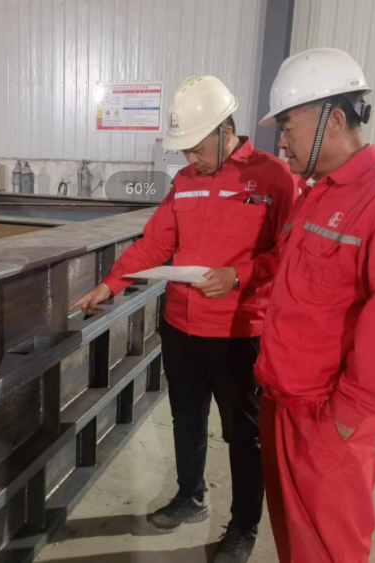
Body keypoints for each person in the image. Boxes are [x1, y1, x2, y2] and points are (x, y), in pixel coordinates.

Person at [71, 76, 299, 563]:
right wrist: (111, 283)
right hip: (180, 327)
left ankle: (243, 526)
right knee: (187, 419)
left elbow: (290, 252)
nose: (190, 158)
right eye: (185, 150)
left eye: (196, 147)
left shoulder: (273, 177)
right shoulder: (186, 181)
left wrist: (238, 276)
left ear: (225, 131)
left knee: (243, 434)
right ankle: (190, 496)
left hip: (239, 331)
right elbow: (157, 242)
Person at [255, 48, 375, 563]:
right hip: (282, 403)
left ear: (334, 121)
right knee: (295, 544)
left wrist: (345, 417)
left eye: (287, 126)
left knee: (329, 551)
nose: (281, 140)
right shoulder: (315, 195)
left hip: (327, 420)